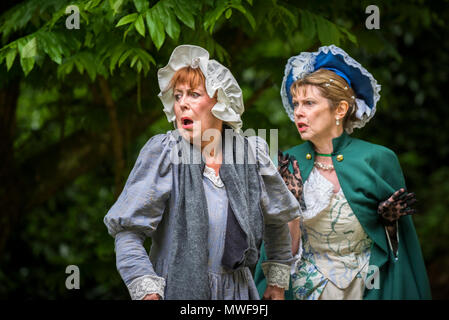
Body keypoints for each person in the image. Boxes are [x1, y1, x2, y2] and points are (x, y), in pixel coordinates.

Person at [103, 44, 300, 300]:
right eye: (177, 96)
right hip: (178, 292)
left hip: (238, 295)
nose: (182, 103)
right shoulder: (164, 153)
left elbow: (276, 222)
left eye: (194, 94)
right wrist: (147, 291)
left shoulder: (251, 154)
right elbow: (128, 232)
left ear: (220, 102)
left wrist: (276, 282)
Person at [254, 45, 432, 300]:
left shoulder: (378, 159)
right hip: (305, 291)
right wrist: (289, 206)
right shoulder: (288, 162)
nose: (298, 112)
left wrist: (389, 224)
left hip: (369, 288)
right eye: (296, 104)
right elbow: (279, 243)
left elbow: (401, 248)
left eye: (309, 103)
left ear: (339, 110)